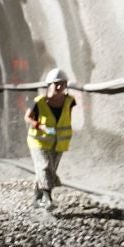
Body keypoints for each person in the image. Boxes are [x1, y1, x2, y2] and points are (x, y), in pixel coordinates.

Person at [26, 68, 76, 208]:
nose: (60, 87)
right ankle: (48, 199)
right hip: (38, 141)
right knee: (45, 167)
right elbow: (28, 117)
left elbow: (67, 117)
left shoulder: (70, 101)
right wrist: (39, 126)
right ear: (49, 85)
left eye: (63, 83)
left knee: (47, 170)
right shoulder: (39, 101)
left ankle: (36, 199)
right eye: (56, 84)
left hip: (58, 143)